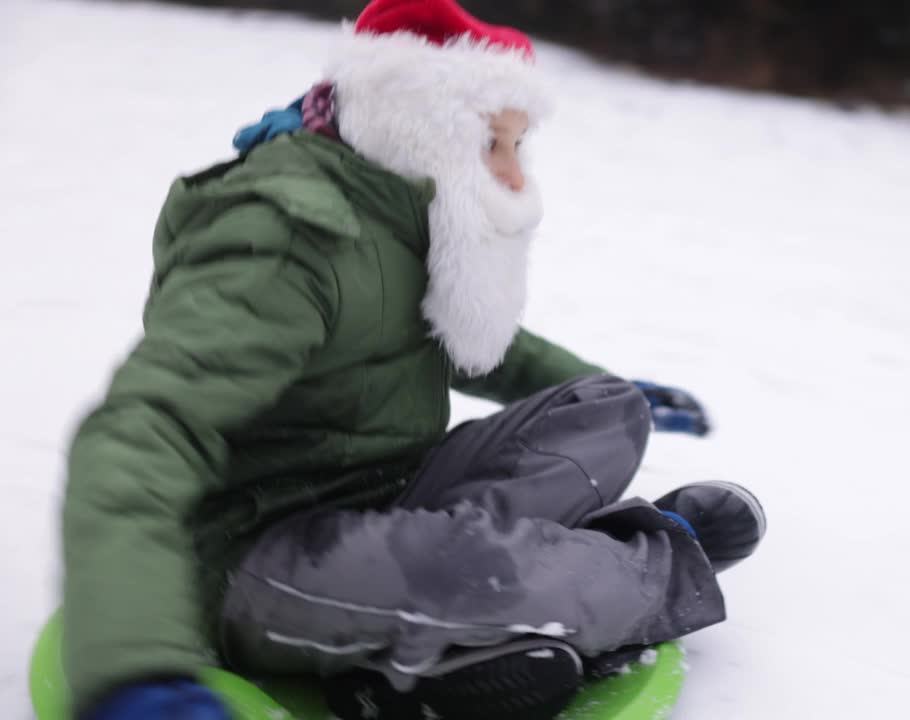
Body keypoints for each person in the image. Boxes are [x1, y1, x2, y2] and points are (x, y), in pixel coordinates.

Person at [63, 0, 766, 718]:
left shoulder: (394, 202)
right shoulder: (281, 235)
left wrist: (610, 389)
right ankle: (646, 557)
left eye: (517, 149)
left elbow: (461, 337)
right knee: (490, 573)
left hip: (386, 489)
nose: (514, 177)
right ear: (427, 124)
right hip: (259, 552)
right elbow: (143, 429)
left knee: (604, 409)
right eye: (496, 144)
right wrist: (131, 664)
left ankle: (436, 626)